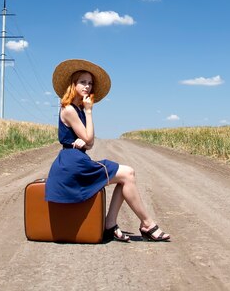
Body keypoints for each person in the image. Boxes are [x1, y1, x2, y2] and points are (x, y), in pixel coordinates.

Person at [45, 59, 170, 242]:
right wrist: (89, 112)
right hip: (72, 165)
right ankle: (146, 224)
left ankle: (112, 224)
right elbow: (89, 140)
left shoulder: (77, 108)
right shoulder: (70, 109)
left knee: (127, 175)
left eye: (90, 83)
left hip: (78, 160)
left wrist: (85, 137)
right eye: (82, 82)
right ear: (73, 84)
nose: (87, 87)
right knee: (127, 173)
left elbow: (89, 143)